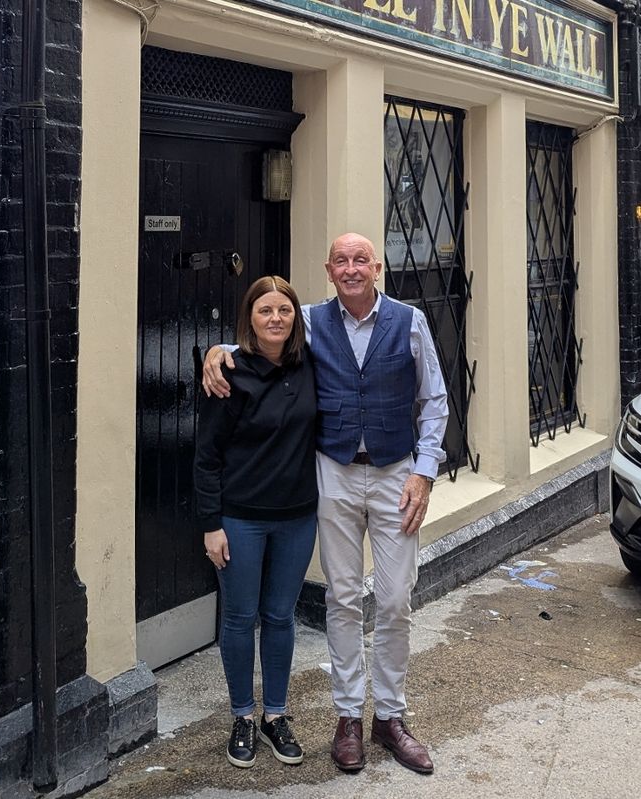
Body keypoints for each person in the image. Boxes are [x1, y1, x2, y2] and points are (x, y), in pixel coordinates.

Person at [203, 232, 448, 775]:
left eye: (362, 259)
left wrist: (425, 474)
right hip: (333, 474)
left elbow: (434, 400)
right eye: (342, 260)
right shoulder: (311, 320)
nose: (352, 268)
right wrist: (216, 352)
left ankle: (389, 715)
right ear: (329, 270)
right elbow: (264, 335)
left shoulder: (409, 322)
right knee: (341, 598)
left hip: (395, 475)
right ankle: (347, 719)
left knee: (393, 598)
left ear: (377, 268)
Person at [195, 275, 318, 769]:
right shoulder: (230, 373)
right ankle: (243, 716)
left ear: (295, 318)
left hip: (296, 517)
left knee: (281, 617)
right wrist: (211, 524)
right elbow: (206, 457)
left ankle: (275, 716)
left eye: (284, 311)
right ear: (249, 317)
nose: (275, 319)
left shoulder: (312, 365)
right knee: (240, 618)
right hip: (240, 519)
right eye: (264, 311)